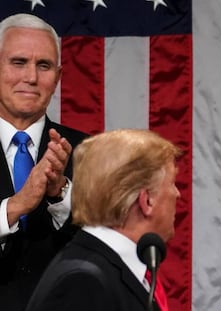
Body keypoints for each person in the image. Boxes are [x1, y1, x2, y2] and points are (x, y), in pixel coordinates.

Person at [25, 129, 181, 311]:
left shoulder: (105, 269)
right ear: (146, 200)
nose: (177, 194)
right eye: (172, 183)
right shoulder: (83, 283)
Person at [0, 13, 88, 310]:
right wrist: (14, 207)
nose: (31, 77)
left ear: (58, 78)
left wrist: (61, 193)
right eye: (18, 62)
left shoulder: (92, 152)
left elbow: (109, 247)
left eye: (44, 65)